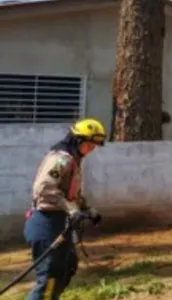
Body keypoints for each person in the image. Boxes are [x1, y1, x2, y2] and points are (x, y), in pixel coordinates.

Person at [25, 118, 106, 300]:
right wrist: (72, 210)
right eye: (89, 145)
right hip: (46, 222)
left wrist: (88, 210)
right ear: (77, 140)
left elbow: (71, 194)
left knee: (67, 266)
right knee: (50, 276)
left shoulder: (73, 161)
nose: (91, 150)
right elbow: (44, 189)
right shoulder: (61, 159)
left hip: (59, 222)